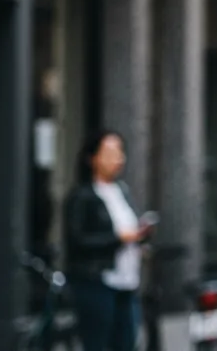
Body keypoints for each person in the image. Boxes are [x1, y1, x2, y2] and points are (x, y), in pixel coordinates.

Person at [64, 130, 153, 351]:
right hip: (97, 281)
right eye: (111, 152)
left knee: (127, 342)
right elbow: (77, 241)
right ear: (92, 158)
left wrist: (139, 241)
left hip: (127, 281)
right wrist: (118, 239)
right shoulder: (81, 196)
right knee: (98, 343)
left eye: (120, 152)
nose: (118, 158)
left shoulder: (121, 190)